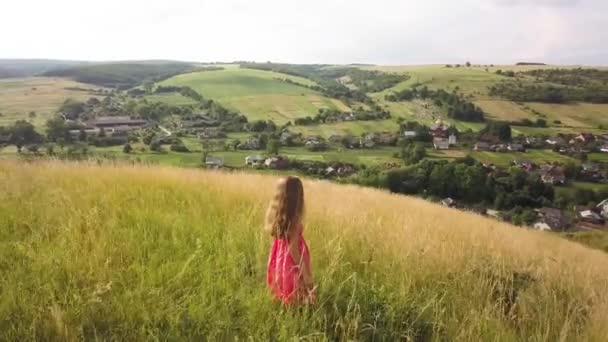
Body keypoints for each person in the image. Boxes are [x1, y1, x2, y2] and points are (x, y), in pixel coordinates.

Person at [265, 176, 315, 304]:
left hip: (280, 261)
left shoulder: (279, 217)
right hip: (291, 264)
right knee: (297, 295)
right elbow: (294, 251)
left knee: (284, 291)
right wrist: (306, 275)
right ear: (298, 197)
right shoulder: (294, 220)